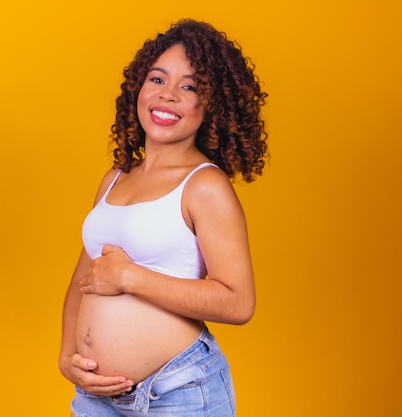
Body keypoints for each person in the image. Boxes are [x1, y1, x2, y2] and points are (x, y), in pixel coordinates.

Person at [59, 18, 268, 417]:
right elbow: (84, 281)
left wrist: (130, 277)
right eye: (158, 79)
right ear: (138, 88)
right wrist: (68, 354)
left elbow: (238, 302)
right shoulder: (114, 178)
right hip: (95, 398)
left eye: (189, 87)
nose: (167, 95)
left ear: (210, 105)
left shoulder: (205, 186)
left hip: (177, 394)